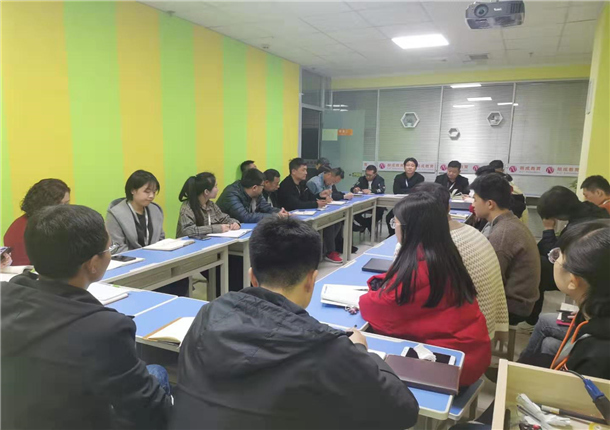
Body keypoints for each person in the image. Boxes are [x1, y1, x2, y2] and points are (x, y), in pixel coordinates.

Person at [171, 217, 419, 430]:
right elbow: (403, 410)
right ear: (312, 280)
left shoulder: (208, 314)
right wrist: (361, 350)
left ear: (252, 277)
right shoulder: (327, 347)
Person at [1, 205, 171, 429]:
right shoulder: (107, 329)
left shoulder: (7, 293)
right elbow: (148, 408)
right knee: (158, 374)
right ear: (92, 264)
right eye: (109, 248)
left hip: (20, 417)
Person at [359, 193, 491, 386]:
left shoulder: (420, 267)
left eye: (395, 224)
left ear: (410, 230)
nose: (394, 229)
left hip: (451, 365)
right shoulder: (442, 252)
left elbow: (376, 308)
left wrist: (370, 293)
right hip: (470, 350)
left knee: (360, 361)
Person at [412, 183, 509, 340]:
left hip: (467, 332)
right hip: (487, 321)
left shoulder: (438, 244)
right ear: (448, 208)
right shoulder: (472, 232)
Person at [521, 219, 610, 379]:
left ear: (572, 281)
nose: (554, 260)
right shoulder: (592, 310)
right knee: (546, 334)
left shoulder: (595, 357)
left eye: (558, 255)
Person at [521, 186, 609, 331]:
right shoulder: (591, 211)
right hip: (595, 269)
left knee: (535, 267)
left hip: (583, 273)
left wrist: (548, 229)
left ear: (559, 214)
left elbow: (552, 255)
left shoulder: (579, 227)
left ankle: (531, 319)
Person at [470, 173, 540, 325]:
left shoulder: (502, 234)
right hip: (521, 299)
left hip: (513, 306)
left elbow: (489, 282)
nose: (473, 205)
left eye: (475, 199)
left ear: (490, 204)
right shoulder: (510, 221)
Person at [278, 158, 342, 264]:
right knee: (327, 225)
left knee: (334, 221)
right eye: (303, 170)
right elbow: (295, 204)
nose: (306, 173)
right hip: (291, 217)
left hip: (304, 214)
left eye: (306, 170)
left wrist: (320, 196)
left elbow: (310, 197)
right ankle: (323, 252)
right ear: (294, 171)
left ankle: (326, 250)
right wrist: (316, 204)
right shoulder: (286, 185)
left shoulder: (302, 183)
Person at [3, 179, 71, 266]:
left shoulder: (44, 223)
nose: (65, 209)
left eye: (67, 204)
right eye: (59, 204)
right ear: (44, 204)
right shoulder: (27, 228)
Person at [106, 170, 164, 253]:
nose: (151, 196)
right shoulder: (115, 214)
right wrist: (144, 256)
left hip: (155, 256)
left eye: (154, 192)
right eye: (147, 192)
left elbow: (161, 239)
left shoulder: (155, 210)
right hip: (129, 259)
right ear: (132, 190)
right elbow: (116, 247)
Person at [176, 173, 240, 238]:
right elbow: (188, 230)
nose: (217, 189)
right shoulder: (187, 208)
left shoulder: (211, 205)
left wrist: (234, 223)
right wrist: (216, 229)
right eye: (215, 186)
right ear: (206, 192)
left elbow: (224, 218)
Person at [217, 168, 288, 223]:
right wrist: (275, 216)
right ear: (254, 188)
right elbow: (245, 217)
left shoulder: (256, 194)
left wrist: (280, 212)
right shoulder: (231, 194)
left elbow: (266, 208)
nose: (263, 188)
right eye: (262, 186)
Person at [387, 157, 425, 235]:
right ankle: (392, 234)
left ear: (416, 167)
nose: (410, 167)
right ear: (404, 166)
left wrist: (404, 191)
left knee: (412, 219)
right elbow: (396, 191)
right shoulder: (398, 177)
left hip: (413, 204)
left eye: (412, 165)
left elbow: (417, 192)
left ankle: (408, 236)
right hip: (400, 203)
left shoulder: (420, 178)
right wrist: (410, 190)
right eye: (407, 165)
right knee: (389, 217)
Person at [352, 165, 386, 232]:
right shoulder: (361, 179)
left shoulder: (380, 179)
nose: (367, 177)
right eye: (366, 175)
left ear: (375, 174)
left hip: (376, 204)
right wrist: (355, 189)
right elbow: (354, 187)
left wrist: (371, 191)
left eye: (370, 175)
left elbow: (382, 190)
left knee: (380, 211)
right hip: (363, 203)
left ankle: (366, 225)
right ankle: (368, 224)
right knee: (354, 212)